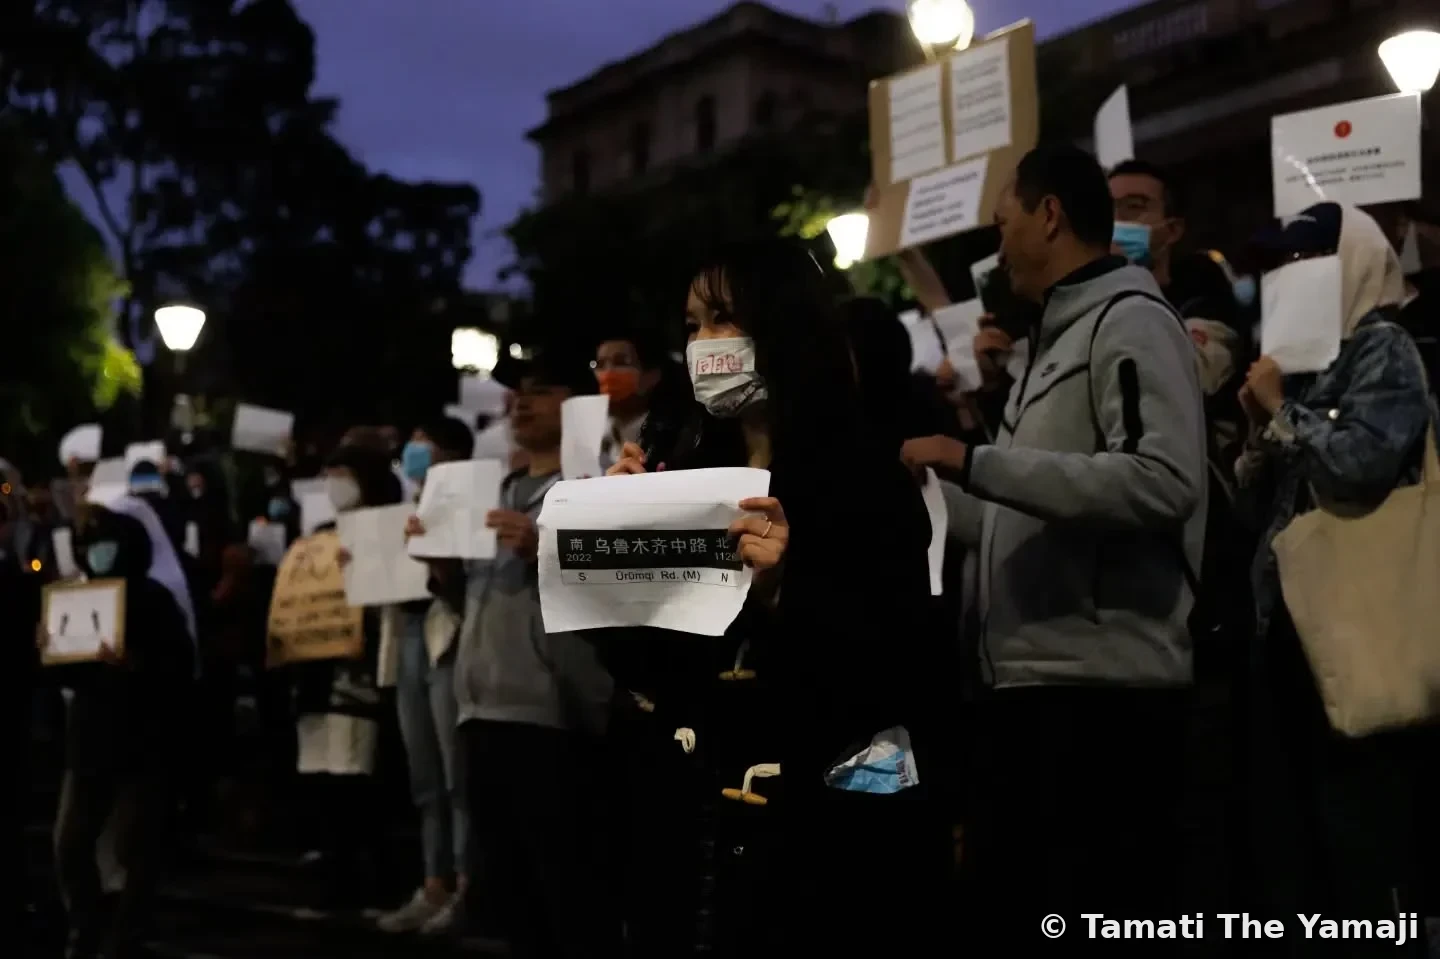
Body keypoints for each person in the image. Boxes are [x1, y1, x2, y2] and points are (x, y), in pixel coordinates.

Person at [606, 239, 949, 953]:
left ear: (782, 328)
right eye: (693, 324)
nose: (704, 343)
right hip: (700, 826)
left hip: (820, 840)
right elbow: (643, 666)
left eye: (723, 318)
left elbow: (895, 667)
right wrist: (616, 542)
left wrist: (784, 591)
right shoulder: (690, 473)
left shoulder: (860, 475)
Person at [903, 144, 1207, 942]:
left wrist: (974, 460)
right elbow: (1013, 508)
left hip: (1104, 704)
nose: (997, 249)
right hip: (1031, 696)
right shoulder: (1049, 346)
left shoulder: (1131, 320)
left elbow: (1164, 481)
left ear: (1049, 215)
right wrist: (926, 494)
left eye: (1004, 224)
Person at [1237, 203, 1431, 953]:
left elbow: (1361, 461)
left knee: (1362, 840)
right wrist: (1262, 421)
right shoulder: (1304, 362)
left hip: (1357, 629)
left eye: (1303, 261)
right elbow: (1261, 501)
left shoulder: (1382, 349)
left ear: (1348, 263)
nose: (1287, 277)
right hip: (1295, 634)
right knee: (1300, 846)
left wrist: (1283, 412)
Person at [452, 345, 618, 958]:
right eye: (519, 389)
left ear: (582, 407)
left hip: (555, 714)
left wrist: (543, 548)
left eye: (543, 390)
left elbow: (616, 596)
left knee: (570, 894)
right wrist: (438, 567)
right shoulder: (490, 492)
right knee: (511, 900)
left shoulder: (599, 489)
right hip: (481, 708)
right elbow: (467, 596)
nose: (522, 401)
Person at [50, 496, 196, 959]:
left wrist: (134, 664)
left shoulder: (155, 601)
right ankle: (85, 928)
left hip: (142, 740)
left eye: (106, 543)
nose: (97, 552)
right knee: (70, 842)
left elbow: (178, 669)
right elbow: (66, 676)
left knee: (137, 847)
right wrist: (50, 650)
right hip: (90, 741)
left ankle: (125, 937)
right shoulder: (76, 598)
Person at [376, 416, 476, 936]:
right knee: (425, 778)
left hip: (448, 637)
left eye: (425, 444)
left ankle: (465, 887)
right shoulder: (403, 507)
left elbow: (466, 589)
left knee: (456, 773)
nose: (415, 452)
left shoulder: (470, 505)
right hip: (410, 636)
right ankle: (433, 883)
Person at [292, 444, 399, 904]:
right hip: (320, 675)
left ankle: (363, 875)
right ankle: (333, 866)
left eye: (343, 471)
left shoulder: (389, 531)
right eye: (329, 471)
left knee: (356, 776)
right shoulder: (319, 535)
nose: (334, 482)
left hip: (361, 678)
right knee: (324, 773)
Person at [592, 329, 669, 471]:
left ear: (651, 376)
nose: (608, 374)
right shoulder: (594, 439)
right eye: (600, 365)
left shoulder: (669, 437)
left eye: (621, 362)